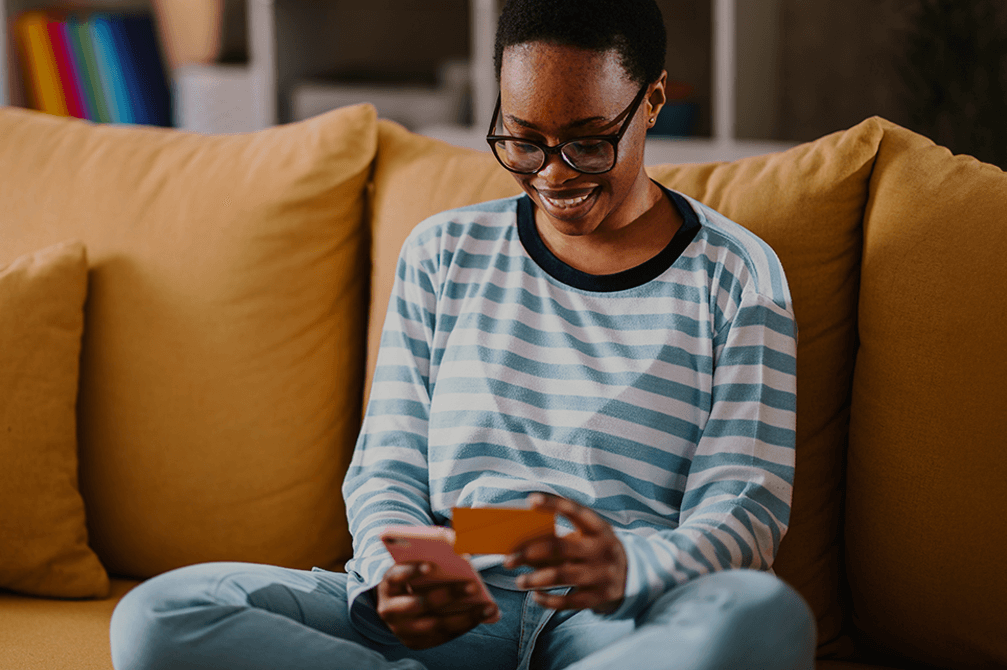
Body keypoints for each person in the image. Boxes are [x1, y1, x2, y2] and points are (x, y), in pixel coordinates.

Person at [108, 1, 816, 668]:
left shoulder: (738, 275)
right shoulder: (443, 252)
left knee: (764, 616)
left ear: (653, 101)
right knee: (160, 616)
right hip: (451, 600)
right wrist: (398, 576)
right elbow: (387, 468)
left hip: (612, 617)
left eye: (589, 143)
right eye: (523, 139)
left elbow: (743, 513)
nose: (553, 173)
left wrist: (632, 568)